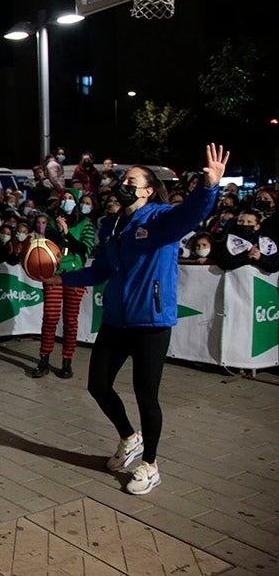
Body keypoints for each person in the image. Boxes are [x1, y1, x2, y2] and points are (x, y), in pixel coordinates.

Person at [44, 144, 228, 495]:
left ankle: (151, 464)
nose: (122, 183)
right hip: (116, 320)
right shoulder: (111, 225)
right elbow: (101, 270)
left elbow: (190, 214)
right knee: (97, 385)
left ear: (146, 189)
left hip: (151, 322)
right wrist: (61, 279)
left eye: (131, 180)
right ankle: (130, 438)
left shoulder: (160, 218)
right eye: (122, 179)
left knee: (146, 395)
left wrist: (208, 187)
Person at [31, 193, 96, 379]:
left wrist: (67, 232)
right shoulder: (51, 222)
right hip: (54, 275)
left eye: (71, 197)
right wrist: (60, 231)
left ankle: (67, 361)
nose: (67, 200)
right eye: (64, 197)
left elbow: (85, 249)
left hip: (76, 276)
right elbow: (51, 248)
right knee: (50, 318)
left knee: (70, 321)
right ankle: (44, 359)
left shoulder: (86, 223)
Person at [212, 208, 278, 274]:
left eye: (249, 222)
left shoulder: (266, 242)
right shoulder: (227, 239)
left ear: (257, 226)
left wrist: (260, 258)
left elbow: (275, 265)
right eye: (240, 221)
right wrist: (247, 257)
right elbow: (222, 261)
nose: (244, 224)